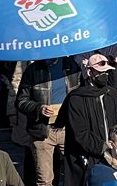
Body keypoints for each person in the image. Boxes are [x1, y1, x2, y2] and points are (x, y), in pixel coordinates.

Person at [57, 52, 117, 186]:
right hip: (85, 159)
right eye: (100, 72)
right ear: (90, 72)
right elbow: (80, 133)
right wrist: (103, 147)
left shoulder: (112, 94)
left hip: (114, 155)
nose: (105, 75)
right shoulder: (76, 99)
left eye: (107, 72)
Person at [15, 56, 82, 186]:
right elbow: (21, 101)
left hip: (67, 129)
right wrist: (39, 108)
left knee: (76, 171)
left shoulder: (71, 67)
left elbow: (81, 93)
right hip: (43, 131)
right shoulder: (32, 70)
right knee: (44, 180)